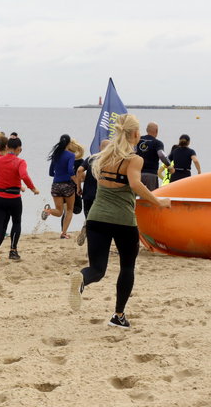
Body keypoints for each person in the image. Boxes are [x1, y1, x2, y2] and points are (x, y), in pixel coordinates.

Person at [69, 114, 171, 328]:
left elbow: (83, 172)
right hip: (123, 221)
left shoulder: (102, 157)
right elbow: (135, 184)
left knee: (97, 269)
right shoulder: (135, 160)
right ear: (135, 134)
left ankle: (81, 278)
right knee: (127, 267)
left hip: (96, 218)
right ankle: (118, 315)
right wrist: (158, 202)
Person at [0, 135, 39, 269]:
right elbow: (24, 176)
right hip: (14, 198)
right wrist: (33, 188)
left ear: (7, 147)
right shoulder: (20, 162)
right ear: (19, 149)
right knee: (16, 222)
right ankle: (13, 250)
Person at [42, 134, 76, 239]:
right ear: (69, 143)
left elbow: (51, 173)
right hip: (67, 185)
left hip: (56, 185)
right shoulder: (71, 155)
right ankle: (64, 233)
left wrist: (59, 174)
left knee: (59, 211)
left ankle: (48, 211)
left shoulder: (55, 155)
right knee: (69, 210)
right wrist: (77, 183)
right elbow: (70, 170)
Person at [76, 140, 110, 246]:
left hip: (87, 195)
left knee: (89, 218)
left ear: (100, 147)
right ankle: (98, 244)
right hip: (101, 196)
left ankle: (87, 230)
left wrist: (78, 187)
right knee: (101, 221)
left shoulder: (91, 158)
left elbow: (79, 170)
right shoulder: (109, 160)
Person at [136, 122, 171, 191]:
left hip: (137, 174)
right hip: (151, 174)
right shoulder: (157, 143)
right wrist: (168, 164)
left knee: (136, 198)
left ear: (146, 130)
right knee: (151, 197)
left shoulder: (138, 140)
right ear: (157, 131)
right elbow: (161, 154)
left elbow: (131, 152)